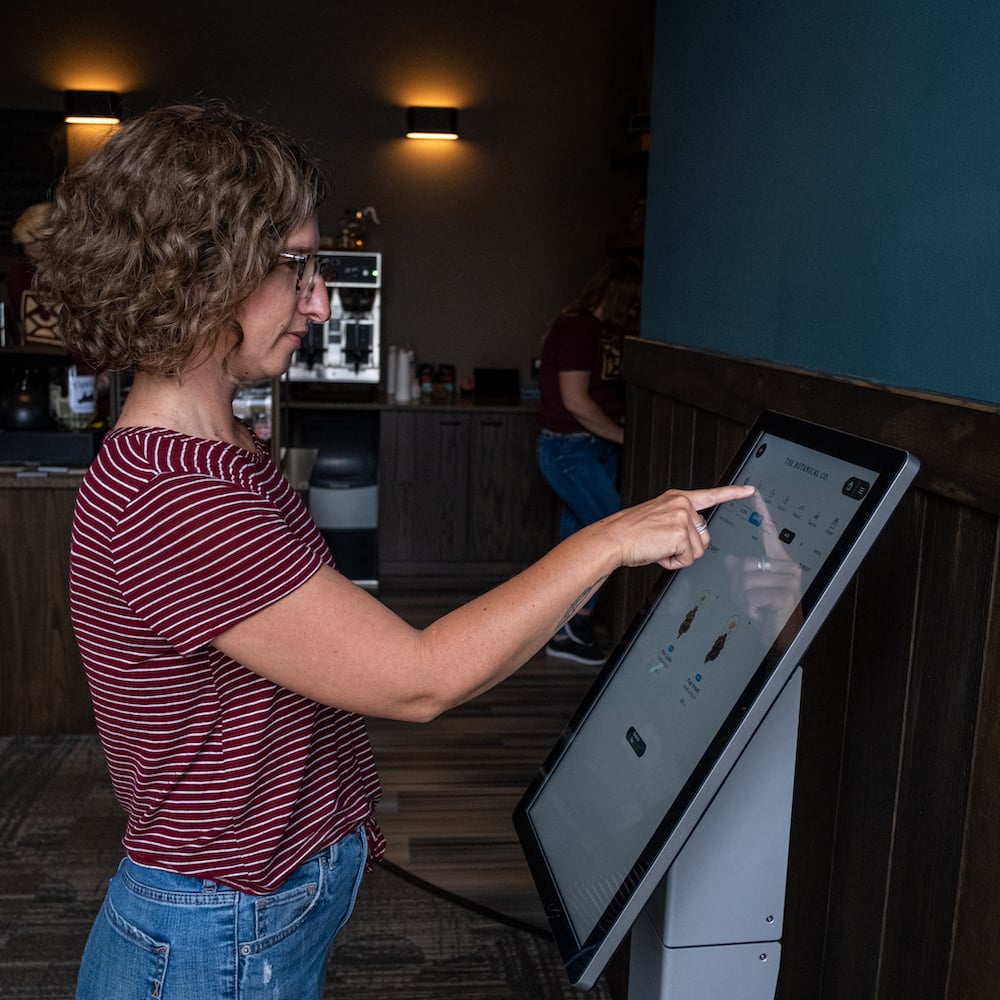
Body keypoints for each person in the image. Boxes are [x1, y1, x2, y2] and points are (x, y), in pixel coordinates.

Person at [36, 102, 753, 1000]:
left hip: (250, 909)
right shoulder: (177, 499)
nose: (321, 302)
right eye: (296, 268)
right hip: (215, 931)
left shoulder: (219, 455)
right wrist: (610, 538)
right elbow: (416, 678)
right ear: (200, 272)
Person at [536, 254, 642, 665]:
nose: (634, 312)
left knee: (579, 538)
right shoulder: (579, 328)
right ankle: (570, 627)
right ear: (618, 297)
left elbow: (596, 394)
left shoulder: (598, 331)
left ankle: (564, 630)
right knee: (613, 529)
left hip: (590, 446)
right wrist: (623, 436)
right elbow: (576, 401)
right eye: (631, 303)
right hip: (570, 448)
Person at [6, 202, 51, 328]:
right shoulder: (17, 279)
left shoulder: (82, 280)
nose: (39, 268)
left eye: (46, 260)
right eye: (31, 259)